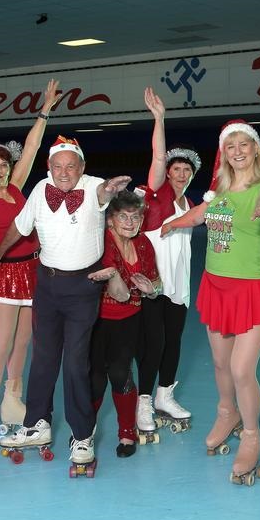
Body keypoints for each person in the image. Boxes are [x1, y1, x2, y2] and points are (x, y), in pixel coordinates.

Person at [0, 135, 130, 475]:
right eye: (58, 167)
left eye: (71, 167)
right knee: (44, 357)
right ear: (49, 168)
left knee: (75, 361)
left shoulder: (93, 187)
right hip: (47, 284)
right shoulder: (39, 189)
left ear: (82, 168)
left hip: (83, 286)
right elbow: (19, 227)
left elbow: (103, 193)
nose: (64, 173)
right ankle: (37, 423)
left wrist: (111, 188)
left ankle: (81, 435)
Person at [161, 119, 260, 485]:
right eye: (230, 146)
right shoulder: (222, 187)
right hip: (217, 285)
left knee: (242, 369)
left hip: (254, 287)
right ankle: (226, 410)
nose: (237, 151)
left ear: (255, 149)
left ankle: (250, 433)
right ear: (224, 153)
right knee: (220, 362)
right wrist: (174, 223)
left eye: (243, 144)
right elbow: (203, 213)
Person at [0, 79, 58, 453]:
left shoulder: (17, 187)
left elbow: (34, 147)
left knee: (24, 342)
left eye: (3, 164)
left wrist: (44, 112)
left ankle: (13, 398)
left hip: (32, 272)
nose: (0, 170)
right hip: (4, 275)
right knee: (1, 344)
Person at [135, 87, 198, 439]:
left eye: (186, 169)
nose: (181, 173)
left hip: (179, 283)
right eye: (176, 168)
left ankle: (164, 396)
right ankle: (144, 400)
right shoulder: (155, 193)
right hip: (151, 282)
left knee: (173, 340)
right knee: (153, 343)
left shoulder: (191, 204)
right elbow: (157, 159)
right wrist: (160, 118)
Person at [90, 190, 160, 458]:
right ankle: (86, 431)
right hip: (97, 320)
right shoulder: (101, 241)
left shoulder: (143, 244)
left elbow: (156, 283)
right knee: (95, 380)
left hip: (129, 320)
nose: (130, 223)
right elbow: (118, 292)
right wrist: (121, 280)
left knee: (120, 374)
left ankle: (127, 432)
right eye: (123, 216)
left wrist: (150, 289)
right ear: (110, 220)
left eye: (135, 217)